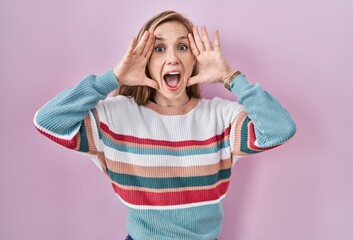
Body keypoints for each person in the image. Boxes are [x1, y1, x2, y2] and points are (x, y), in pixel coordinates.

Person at [34, 10, 296, 240]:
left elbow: (279, 128)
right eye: (159, 49)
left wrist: (230, 76)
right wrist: (112, 78)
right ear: (145, 60)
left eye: (182, 47)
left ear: (195, 59)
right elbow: (49, 121)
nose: (172, 58)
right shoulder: (116, 117)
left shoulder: (221, 118)